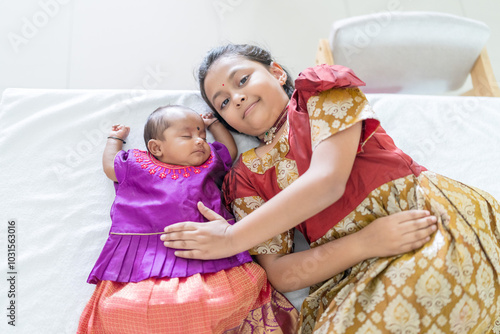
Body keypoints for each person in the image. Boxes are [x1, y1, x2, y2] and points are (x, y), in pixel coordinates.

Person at [161, 44, 500, 333]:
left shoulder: (320, 94)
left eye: (243, 80)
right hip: (355, 265)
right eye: (222, 103)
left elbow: (328, 181)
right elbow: (280, 273)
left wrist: (232, 239)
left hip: (424, 222)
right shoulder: (245, 177)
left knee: (428, 287)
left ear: (278, 72)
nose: (236, 98)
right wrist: (366, 243)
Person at [77, 105, 299, 334]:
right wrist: (115, 139)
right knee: (122, 307)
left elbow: (229, 152)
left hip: (206, 248)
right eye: (187, 135)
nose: (200, 140)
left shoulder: (208, 164)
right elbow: (109, 166)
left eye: (202, 134)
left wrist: (215, 126)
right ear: (156, 147)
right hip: (144, 256)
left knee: (222, 299)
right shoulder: (136, 165)